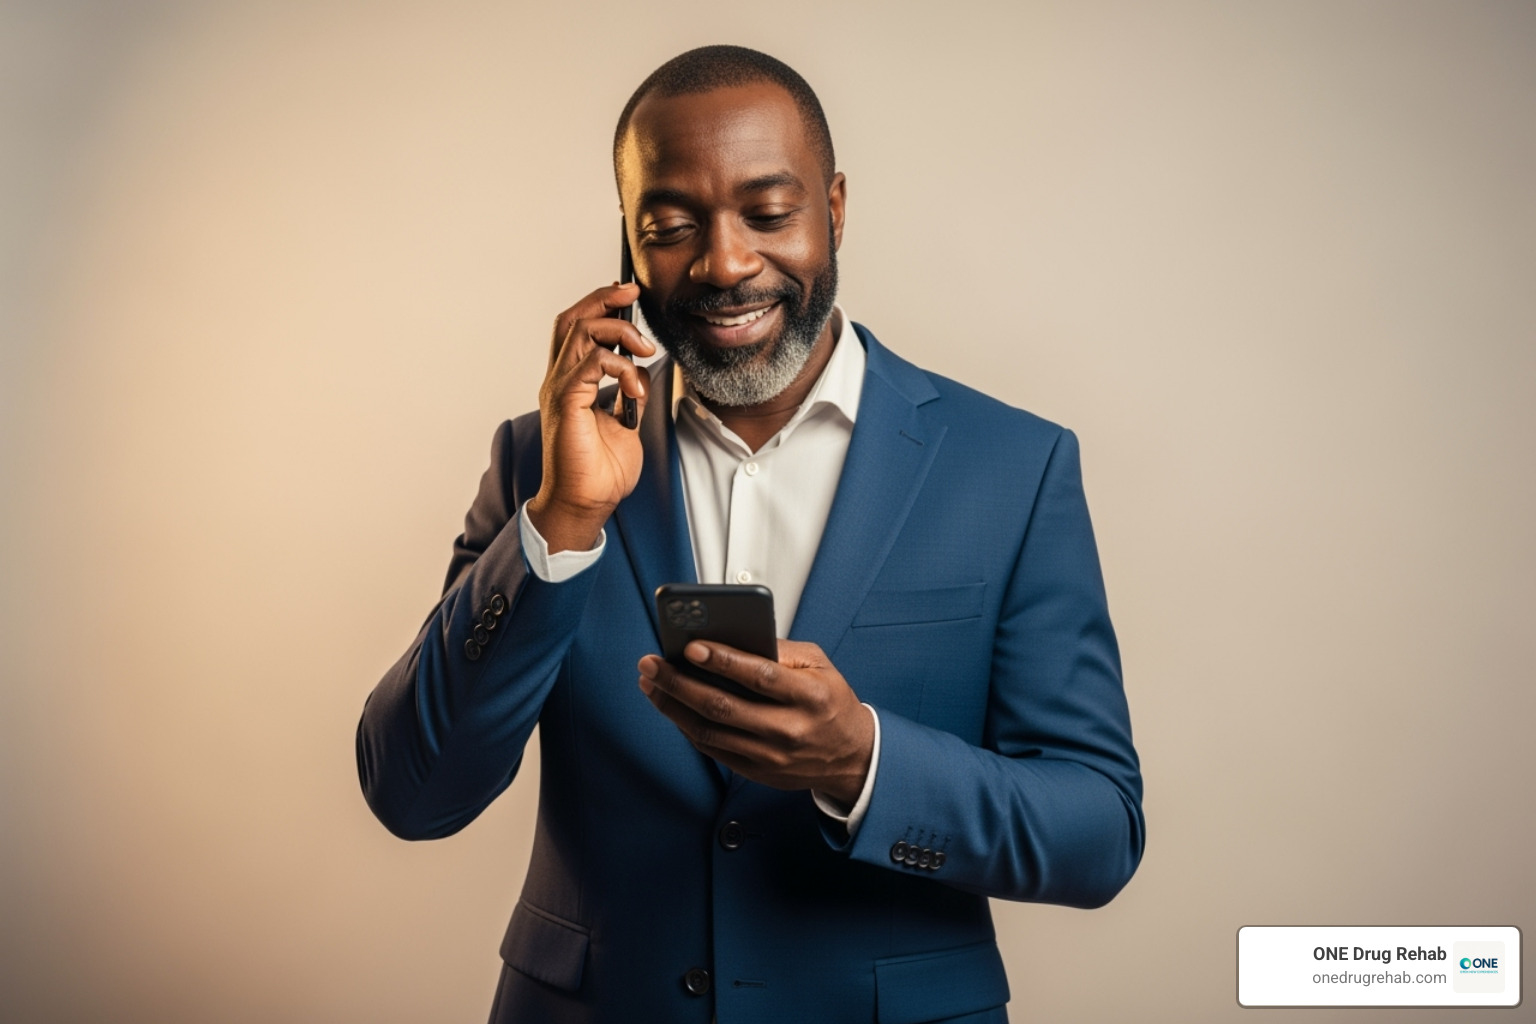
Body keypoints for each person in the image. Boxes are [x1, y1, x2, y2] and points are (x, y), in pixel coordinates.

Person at [357, 44, 1144, 1024]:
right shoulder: (542, 464)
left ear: (836, 207)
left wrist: (862, 761)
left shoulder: (1011, 467)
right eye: (672, 226)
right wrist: (561, 521)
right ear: (628, 245)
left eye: (769, 214)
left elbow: (1098, 830)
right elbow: (412, 791)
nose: (725, 264)